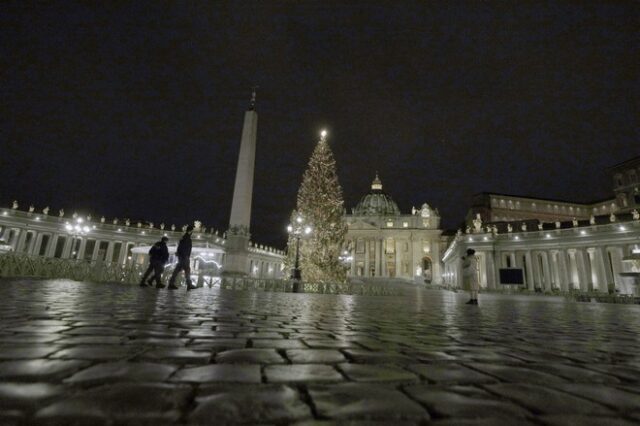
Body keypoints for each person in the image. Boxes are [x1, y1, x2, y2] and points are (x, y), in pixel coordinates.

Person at [168, 225, 196, 291]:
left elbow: (180, 247)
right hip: (184, 257)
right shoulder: (186, 238)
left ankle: (171, 283)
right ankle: (189, 284)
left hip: (183, 257)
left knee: (178, 270)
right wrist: (184, 256)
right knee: (187, 270)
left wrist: (180, 255)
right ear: (190, 231)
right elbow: (184, 248)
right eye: (192, 231)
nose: (192, 232)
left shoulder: (184, 237)